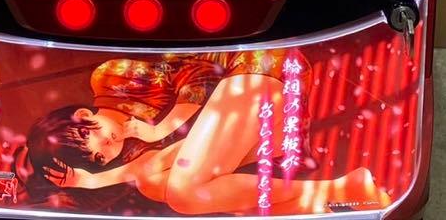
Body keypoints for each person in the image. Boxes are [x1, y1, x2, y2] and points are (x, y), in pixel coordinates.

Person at [21, 52, 390, 216]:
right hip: (259, 125)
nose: (106, 147)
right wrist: (89, 181)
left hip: (255, 70)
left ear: (83, 116)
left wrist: (160, 128)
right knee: (157, 184)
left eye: (90, 139)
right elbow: (151, 167)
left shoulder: (110, 79)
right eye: (99, 159)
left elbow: (198, 74)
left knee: (183, 192)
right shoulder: (133, 150)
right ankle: (345, 195)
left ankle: (338, 189)